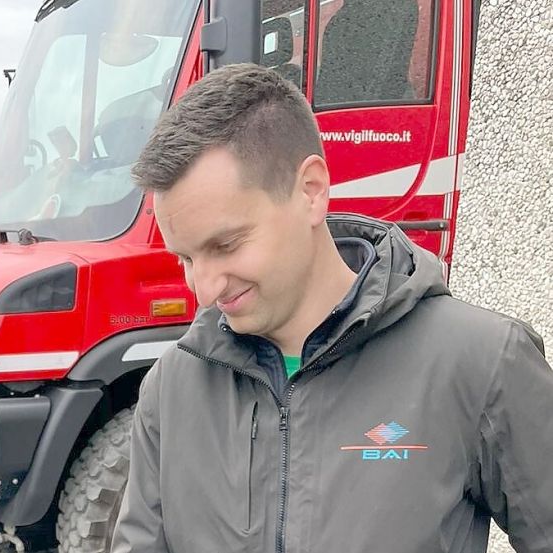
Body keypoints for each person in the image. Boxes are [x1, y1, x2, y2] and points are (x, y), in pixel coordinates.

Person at [111, 63, 553, 552]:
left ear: (311, 190)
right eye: (186, 258)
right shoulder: (172, 387)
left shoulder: (483, 363)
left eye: (227, 245)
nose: (205, 288)